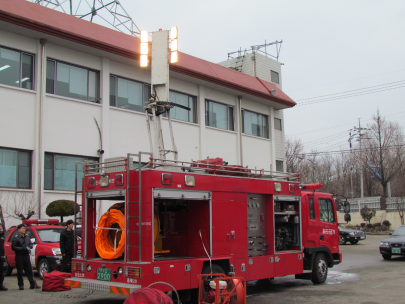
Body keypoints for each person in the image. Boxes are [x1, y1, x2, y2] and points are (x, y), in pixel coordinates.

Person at [11, 224, 40, 290]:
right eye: (22, 229)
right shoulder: (16, 238)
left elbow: (30, 244)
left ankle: (32, 284)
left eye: (24, 228)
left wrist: (29, 247)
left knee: (29, 270)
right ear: (18, 230)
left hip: (26, 255)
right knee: (20, 271)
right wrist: (22, 248)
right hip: (19, 256)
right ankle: (21, 285)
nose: (23, 230)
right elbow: (13, 247)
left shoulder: (27, 237)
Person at [0, 224, 8, 291]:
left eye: (0, 227)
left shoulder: (2, 236)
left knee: (2, 272)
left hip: (2, 256)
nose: (0, 228)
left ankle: (0, 285)